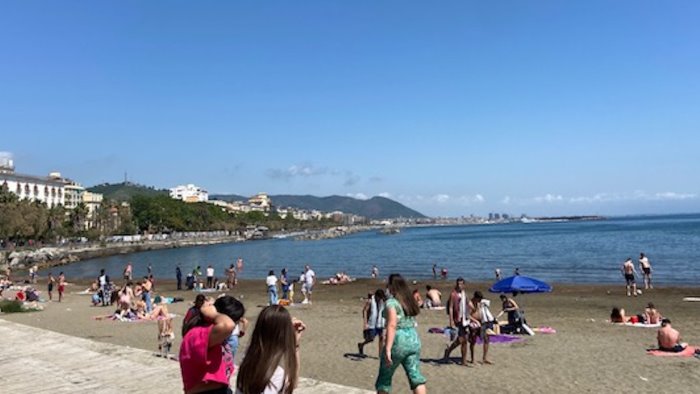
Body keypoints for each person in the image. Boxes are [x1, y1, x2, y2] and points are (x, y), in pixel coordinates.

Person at [236, 305, 306, 394]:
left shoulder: (247, 359)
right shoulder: (276, 375)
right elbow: (292, 384)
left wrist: (295, 345)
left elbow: (292, 383)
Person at [375, 274, 426, 394]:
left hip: (398, 340)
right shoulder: (408, 301)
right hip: (413, 339)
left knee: (384, 379)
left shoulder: (391, 303)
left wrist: (387, 348)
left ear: (392, 286)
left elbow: (392, 325)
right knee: (416, 377)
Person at [179, 295, 239, 394]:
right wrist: (213, 314)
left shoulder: (215, 337)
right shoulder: (198, 334)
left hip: (219, 389)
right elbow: (228, 325)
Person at [443, 277, 473, 365]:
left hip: (465, 319)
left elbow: (468, 303)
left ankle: (463, 360)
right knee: (461, 339)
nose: (459, 285)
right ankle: (448, 351)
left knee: (465, 339)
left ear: (464, 285)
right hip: (458, 319)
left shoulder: (464, 294)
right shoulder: (453, 294)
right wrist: (451, 320)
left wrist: (475, 308)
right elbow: (451, 307)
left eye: (461, 284)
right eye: (458, 284)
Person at [358, 289, 386, 356]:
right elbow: (364, 311)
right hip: (372, 323)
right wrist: (365, 323)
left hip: (380, 322)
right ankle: (361, 345)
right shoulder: (370, 301)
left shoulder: (382, 301)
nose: (380, 299)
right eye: (379, 298)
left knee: (382, 337)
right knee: (371, 339)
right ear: (376, 296)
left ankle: (380, 354)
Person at [471, 291, 495, 365]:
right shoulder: (470, 303)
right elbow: (467, 315)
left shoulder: (479, 303)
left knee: (486, 339)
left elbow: (487, 304)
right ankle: (472, 359)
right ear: (475, 298)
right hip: (473, 324)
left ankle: (484, 358)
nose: (479, 301)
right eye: (478, 299)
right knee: (473, 341)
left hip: (481, 323)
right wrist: (475, 321)